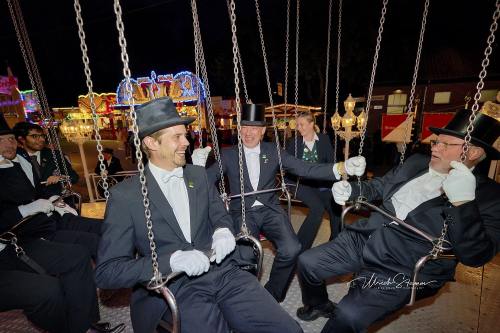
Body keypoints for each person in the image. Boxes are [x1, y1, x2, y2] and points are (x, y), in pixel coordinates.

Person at [95, 97, 303, 333]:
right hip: (176, 286)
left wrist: (223, 231)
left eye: (185, 135)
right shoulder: (125, 195)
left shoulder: (197, 175)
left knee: (289, 329)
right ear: (152, 143)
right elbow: (107, 272)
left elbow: (220, 216)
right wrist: (171, 260)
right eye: (177, 137)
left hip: (224, 272)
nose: (186, 142)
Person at [295, 108, 500, 333]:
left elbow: (477, 255)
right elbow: (380, 186)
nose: (435, 148)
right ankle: (318, 304)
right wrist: (351, 190)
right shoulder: (416, 162)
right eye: (436, 142)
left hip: (405, 265)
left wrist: (463, 204)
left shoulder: (490, 196)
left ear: (473, 153)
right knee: (307, 262)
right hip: (366, 236)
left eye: (445, 144)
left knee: (349, 315)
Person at [195, 103, 366, 302]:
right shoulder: (229, 154)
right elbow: (206, 180)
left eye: (254, 129)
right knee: (246, 255)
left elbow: (305, 169)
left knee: (292, 248)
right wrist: (197, 168)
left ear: (262, 131)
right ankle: (247, 298)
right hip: (242, 212)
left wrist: (341, 167)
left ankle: (272, 295)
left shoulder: (273, 150)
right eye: (245, 128)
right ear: (239, 129)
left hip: (270, 209)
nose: (248, 133)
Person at [0, 114, 123, 333]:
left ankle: (92, 312)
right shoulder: (16, 162)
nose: (8, 144)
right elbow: (22, 202)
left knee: (102, 231)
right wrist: (28, 208)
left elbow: (55, 184)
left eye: (9, 139)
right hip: (22, 235)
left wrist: (54, 198)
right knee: (67, 266)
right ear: (23, 139)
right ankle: (82, 323)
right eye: (3, 140)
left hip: (51, 216)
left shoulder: (39, 158)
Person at [285, 110, 341, 248]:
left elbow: (331, 162)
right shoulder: (294, 142)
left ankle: (335, 243)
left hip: (320, 183)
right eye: (297, 125)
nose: (299, 128)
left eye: (302, 124)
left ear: (311, 124)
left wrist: (336, 181)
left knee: (336, 207)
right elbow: (288, 165)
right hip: (300, 183)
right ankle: (300, 247)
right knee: (318, 208)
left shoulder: (323, 139)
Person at [12, 122, 79, 198]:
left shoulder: (54, 155)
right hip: (30, 204)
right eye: (34, 136)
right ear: (22, 139)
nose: (42, 139)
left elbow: (74, 177)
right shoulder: (14, 157)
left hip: (57, 201)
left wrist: (61, 177)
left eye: (42, 136)